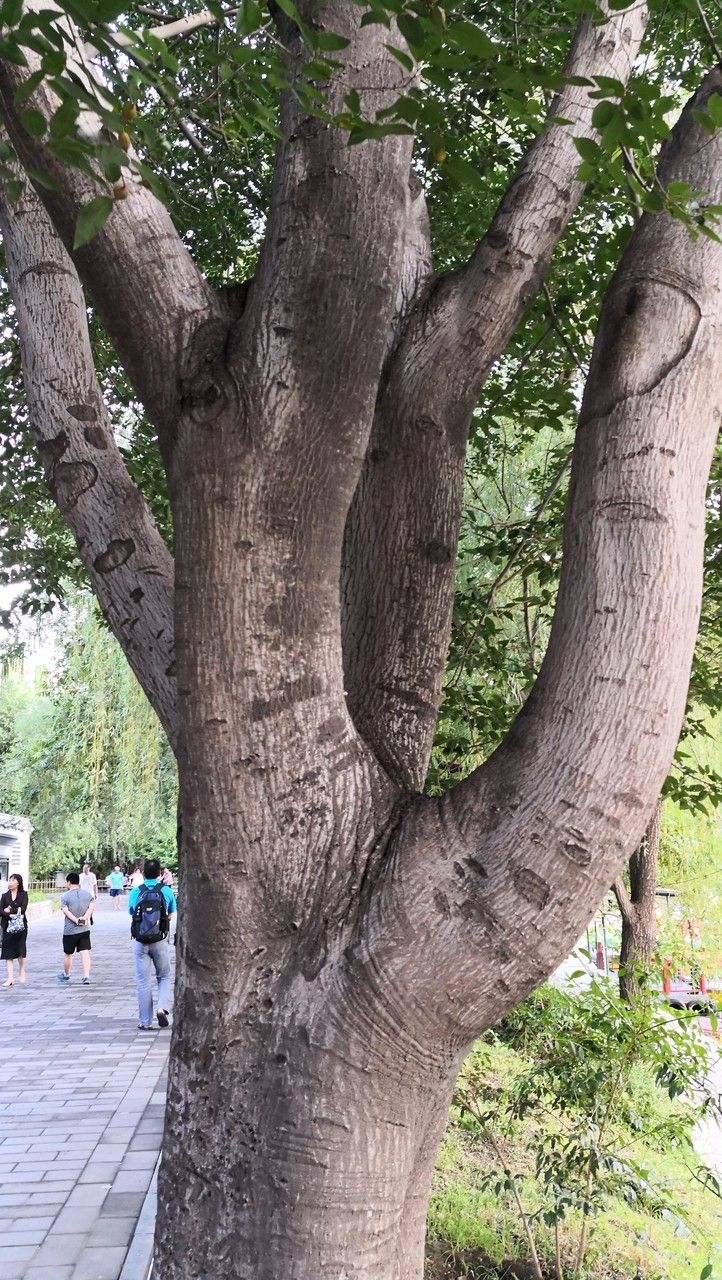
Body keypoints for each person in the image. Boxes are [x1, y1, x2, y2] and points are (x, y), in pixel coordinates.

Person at [128, 858, 176, 1030]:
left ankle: (145, 1022)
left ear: (143, 873)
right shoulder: (166, 891)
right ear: (159, 874)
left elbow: (132, 913)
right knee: (163, 976)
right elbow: (171, 914)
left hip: (140, 942)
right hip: (160, 940)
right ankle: (162, 1008)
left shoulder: (136, 892)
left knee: (143, 981)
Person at [58, 871, 94, 984]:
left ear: (69, 882)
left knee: (68, 953)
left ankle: (67, 974)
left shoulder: (64, 896)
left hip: (70, 930)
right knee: (85, 952)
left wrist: (75, 920)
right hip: (84, 929)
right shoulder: (88, 895)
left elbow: (66, 911)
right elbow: (91, 908)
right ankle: (86, 975)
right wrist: (83, 918)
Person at [1, 873, 29, 987]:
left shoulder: (23, 894)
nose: (10, 882)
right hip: (7, 926)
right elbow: (0, 910)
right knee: (8, 952)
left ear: (18, 882)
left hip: (20, 926)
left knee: (20, 950)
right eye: (9, 880)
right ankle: (10, 978)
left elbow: (23, 909)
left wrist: (9, 910)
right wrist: (7, 914)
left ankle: (22, 970)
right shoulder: (4, 896)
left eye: (12, 880)